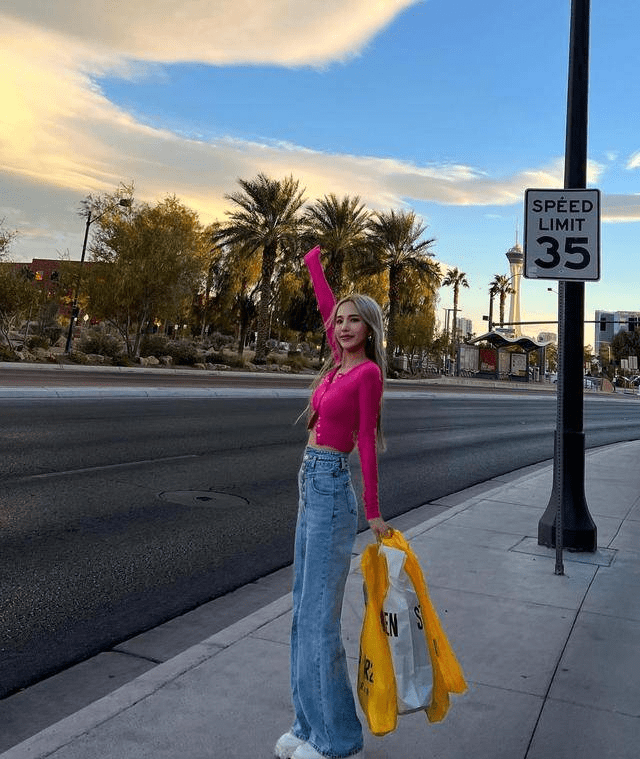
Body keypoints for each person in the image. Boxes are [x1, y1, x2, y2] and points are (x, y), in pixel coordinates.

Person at [275, 246, 391, 759]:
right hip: (308, 483)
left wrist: (373, 510)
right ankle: (306, 725)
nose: (343, 327)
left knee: (321, 620)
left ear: (370, 328)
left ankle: (337, 739)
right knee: (302, 612)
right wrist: (314, 266)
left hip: (331, 491)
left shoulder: (366, 374)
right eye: (339, 320)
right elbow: (326, 307)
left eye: (353, 320)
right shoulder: (337, 365)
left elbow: (365, 440)